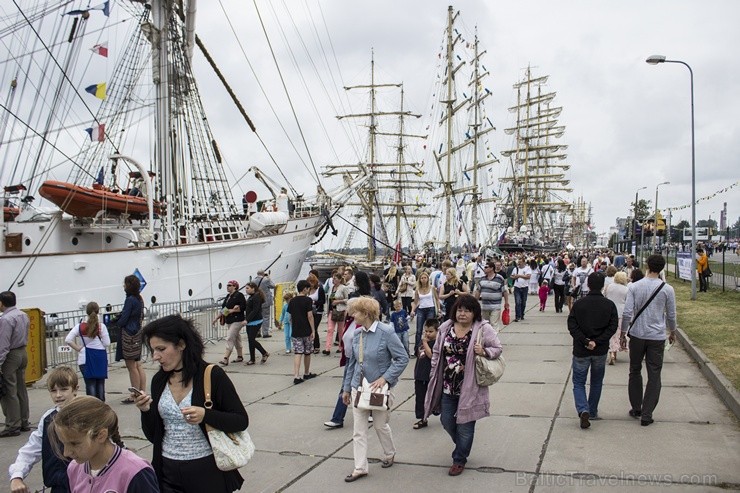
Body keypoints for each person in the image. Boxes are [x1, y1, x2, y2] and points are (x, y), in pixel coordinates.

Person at [134, 315, 248, 492]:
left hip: (207, 470)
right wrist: (145, 410)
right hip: (167, 470)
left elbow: (240, 420)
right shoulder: (159, 380)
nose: (156, 356)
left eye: (161, 349)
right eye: (153, 350)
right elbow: (153, 436)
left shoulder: (212, 375)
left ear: (181, 345)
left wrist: (205, 415)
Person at [423, 295, 503, 476]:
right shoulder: (446, 327)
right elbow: (436, 352)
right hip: (447, 385)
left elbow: (498, 348)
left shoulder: (483, 329)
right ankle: (461, 446)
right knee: (446, 420)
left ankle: (459, 459)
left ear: (474, 313)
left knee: (465, 425)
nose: (462, 314)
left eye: (467, 310)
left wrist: (484, 351)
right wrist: (433, 370)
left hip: (470, 386)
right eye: (460, 310)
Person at [341, 297, 409, 482]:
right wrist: (347, 388)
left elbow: (402, 358)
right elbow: (352, 364)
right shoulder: (357, 334)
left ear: (366, 313)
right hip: (358, 388)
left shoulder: (386, 332)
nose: (352, 315)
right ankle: (360, 467)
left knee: (380, 425)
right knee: (359, 430)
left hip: (379, 390)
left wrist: (385, 378)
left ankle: (389, 453)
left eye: (355, 312)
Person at [51, 396, 159, 492]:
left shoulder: (135, 473)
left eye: (74, 444)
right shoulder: (74, 468)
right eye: (63, 443)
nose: (66, 452)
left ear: (101, 435)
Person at [620, 254, 677, 426]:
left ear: (647, 266)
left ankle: (636, 407)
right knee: (654, 374)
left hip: (637, 334)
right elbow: (671, 314)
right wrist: (672, 331)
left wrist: (623, 332)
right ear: (662, 268)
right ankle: (647, 413)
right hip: (657, 336)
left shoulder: (635, 287)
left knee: (635, 370)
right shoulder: (667, 289)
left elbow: (627, 312)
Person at [9, 366, 78, 493]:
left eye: (64, 389)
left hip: (85, 485)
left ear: (75, 389)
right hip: (58, 487)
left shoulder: (86, 414)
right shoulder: (48, 419)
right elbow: (31, 449)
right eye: (53, 390)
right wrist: (17, 476)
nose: (58, 395)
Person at [567, 273, 618, 429]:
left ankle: (583, 409)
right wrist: (598, 341)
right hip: (600, 350)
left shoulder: (579, 304)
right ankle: (592, 410)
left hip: (582, 350)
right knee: (596, 381)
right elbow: (612, 327)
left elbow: (572, 325)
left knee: (579, 382)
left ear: (588, 285)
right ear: (603, 286)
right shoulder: (609, 305)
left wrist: (585, 341)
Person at [65, 302, 110, 401]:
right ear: (98, 311)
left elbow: (68, 339)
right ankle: (101, 404)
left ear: (87, 312)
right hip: (99, 358)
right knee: (100, 383)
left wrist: (79, 348)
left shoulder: (79, 327)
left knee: (90, 385)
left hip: (84, 357)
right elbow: (107, 343)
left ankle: (91, 405)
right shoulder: (101, 327)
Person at [0, 290, 30, 437]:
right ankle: (24, 421)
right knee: (21, 388)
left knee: (9, 391)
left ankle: (12, 425)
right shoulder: (23, 315)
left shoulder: (5, 319)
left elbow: (3, 343)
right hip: (22, 352)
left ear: (1, 303)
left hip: (11, 355)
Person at [116, 275, 146, 404]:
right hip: (137, 332)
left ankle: (134, 394)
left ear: (128, 285)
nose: (123, 286)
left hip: (129, 334)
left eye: (125, 284)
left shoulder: (130, 300)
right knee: (138, 364)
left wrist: (118, 321)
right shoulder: (139, 299)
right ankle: (142, 391)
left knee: (131, 366)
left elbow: (124, 319)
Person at [412, 319, 439, 430]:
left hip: (430, 376)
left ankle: (437, 410)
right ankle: (423, 418)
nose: (427, 334)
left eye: (430, 331)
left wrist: (424, 342)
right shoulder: (423, 341)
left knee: (434, 397)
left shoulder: (436, 343)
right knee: (420, 398)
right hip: (420, 374)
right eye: (426, 331)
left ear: (437, 332)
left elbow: (431, 356)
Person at [288, 280, 316, 384]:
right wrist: (313, 330)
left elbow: (289, 317)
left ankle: (296, 375)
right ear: (305, 288)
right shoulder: (308, 300)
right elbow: (310, 316)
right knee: (307, 352)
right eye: (308, 288)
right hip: (306, 330)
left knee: (298, 352)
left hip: (296, 330)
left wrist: (293, 326)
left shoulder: (292, 301)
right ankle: (307, 373)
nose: (309, 291)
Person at [213, 280, 247, 366]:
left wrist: (234, 310)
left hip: (237, 320)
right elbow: (224, 309)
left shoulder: (239, 295)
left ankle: (225, 358)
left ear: (235, 286)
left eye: (230, 285)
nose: (227, 287)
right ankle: (240, 356)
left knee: (230, 337)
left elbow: (243, 307)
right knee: (236, 338)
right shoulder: (228, 296)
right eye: (227, 285)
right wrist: (217, 318)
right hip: (229, 320)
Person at [472, 260, 509, 332]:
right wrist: (475, 302)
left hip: (495, 306)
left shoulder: (499, 278)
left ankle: (494, 340)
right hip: (485, 306)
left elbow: (504, 291)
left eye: (486, 267)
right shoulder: (482, 279)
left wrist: (506, 302)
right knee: (485, 324)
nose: (484, 269)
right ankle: (487, 340)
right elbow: (478, 291)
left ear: (492, 268)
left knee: (494, 324)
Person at [410, 271, 440, 354]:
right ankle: (416, 350)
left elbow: (437, 299)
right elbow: (415, 302)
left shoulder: (432, 288)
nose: (423, 279)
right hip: (421, 309)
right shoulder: (418, 290)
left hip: (430, 308)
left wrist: (439, 309)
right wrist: (412, 310)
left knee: (430, 329)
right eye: (422, 278)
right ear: (419, 280)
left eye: (425, 278)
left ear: (427, 279)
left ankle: (430, 347)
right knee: (419, 330)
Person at [604, 271, 629, 365]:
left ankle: (612, 352)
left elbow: (604, 296)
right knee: (618, 334)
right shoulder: (626, 289)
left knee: (610, 333)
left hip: (609, 312)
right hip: (621, 313)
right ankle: (614, 352)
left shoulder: (609, 287)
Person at [242, 282, 269, 366]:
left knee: (251, 340)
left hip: (256, 321)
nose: (246, 290)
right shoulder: (251, 297)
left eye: (247, 288)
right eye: (245, 288)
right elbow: (248, 308)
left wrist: (247, 319)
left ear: (253, 288)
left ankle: (264, 353)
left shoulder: (256, 296)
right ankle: (252, 359)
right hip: (250, 322)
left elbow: (255, 310)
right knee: (250, 340)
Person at [327, 272, 352, 354]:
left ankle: (341, 346)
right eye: (333, 278)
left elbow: (348, 299)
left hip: (340, 310)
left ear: (339, 280)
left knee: (340, 330)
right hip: (331, 310)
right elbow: (328, 299)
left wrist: (339, 301)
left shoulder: (343, 288)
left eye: (335, 278)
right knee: (330, 329)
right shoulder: (331, 288)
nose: (333, 280)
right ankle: (328, 348)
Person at [307, 272, 326, 353]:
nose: (310, 284)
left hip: (318, 311)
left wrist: (314, 302)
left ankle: (316, 346)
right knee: (309, 328)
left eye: (312, 282)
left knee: (314, 328)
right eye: (309, 282)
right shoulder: (307, 290)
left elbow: (323, 301)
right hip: (309, 311)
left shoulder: (320, 289)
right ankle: (310, 345)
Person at [254, 270, 275, 337]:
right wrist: (269, 278)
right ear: (263, 274)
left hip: (257, 301)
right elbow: (273, 286)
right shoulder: (266, 280)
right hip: (265, 301)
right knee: (265, 317)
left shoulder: (253, 281)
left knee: (257, 317)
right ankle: (265, 333)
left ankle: (257, 332)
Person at [510, 258, 532, 322]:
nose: (519, 264)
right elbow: (512, 276)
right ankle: (517, 316)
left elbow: (528, 276)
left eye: (520, 262)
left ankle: (522, 314)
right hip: (517, 287)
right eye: (518, 262)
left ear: (524, 263)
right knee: (518, 302)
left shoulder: (527, 268)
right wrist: (514, 277)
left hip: (525, 287)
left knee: (523, 302)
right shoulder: (515, 269)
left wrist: (519, 276)